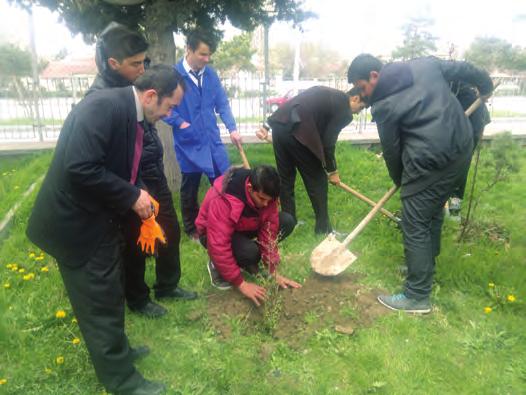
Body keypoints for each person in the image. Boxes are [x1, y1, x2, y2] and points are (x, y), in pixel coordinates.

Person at [26, 65, 184, 395]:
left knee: (111, 291)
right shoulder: (103, 107)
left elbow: (120, 167)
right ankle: (122, 381)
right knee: (99, 301)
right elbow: (80, 167)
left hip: (97, 218)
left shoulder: (130, 113)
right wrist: (131, 195)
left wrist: (137, 192)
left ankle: (118, 352)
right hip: (74, 226)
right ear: (151, 96)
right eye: (170, 107)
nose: (170, 114)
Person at [347, 54, 493, 313]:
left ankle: (417, 296)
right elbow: (464, 69)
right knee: (432, 209)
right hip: (460, 149)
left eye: (361, 87)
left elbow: (392, 152)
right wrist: (486, 85)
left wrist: (403, 183)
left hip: (430, 161)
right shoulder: (424, 65)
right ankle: (424, 267)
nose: (363, 94)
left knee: (414, 221)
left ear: (374, 75)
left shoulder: (383, 106)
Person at [87, 23, 197, 319]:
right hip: (129, 176)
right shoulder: (101, 95)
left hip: (152, 166)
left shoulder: (137, 81)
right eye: (136, 63)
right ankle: (137, 297)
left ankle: (167, 284)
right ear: (113, 63)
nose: (141, 68)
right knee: (137, 237)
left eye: (142, 62)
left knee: (169, 228)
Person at [163, 30, 241, 240]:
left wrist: (232, 128)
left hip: (212, 141)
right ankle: (192, 229)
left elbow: (222, 103)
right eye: (202, 54)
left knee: (224, 183)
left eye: (209, 55)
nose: (206, 60)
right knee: (190, 186)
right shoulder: (173, 75)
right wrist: (181, 123)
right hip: (189, 143)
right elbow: (164, 108)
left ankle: (225, 221)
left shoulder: (210, 74)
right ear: (189, 49)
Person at [255, 86, 365, 234]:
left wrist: (267, 126)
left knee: (285, 179)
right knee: (318, 181)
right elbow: (328, 142)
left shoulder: (325, 92)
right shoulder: (344, 110)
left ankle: (289, 222)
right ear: (355, 98)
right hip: (299, 133)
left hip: (280, 130)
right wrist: (332, 170)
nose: (359, 112)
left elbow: (292, 102)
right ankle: (323, 230)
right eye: (361, 107)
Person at [195, 165, 301, 306]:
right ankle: (217, 264)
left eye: (269, 201)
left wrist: (272, 271)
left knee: (286, 221)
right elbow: (218, 243)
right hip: (211, 234)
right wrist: (241, 284)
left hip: (243, 226)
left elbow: (269, 232)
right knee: (250, 252)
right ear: (250, 188)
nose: (266, 204)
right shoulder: (224, 198)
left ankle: (244, 258)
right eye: (262, 199)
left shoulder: (267, 196)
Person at [448, 81, 491, 216]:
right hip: (458, 129)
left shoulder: (463, 93)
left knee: (458, 166)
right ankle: (445, 202)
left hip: (469, 128)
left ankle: (454, 205)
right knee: (453, 166)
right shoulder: (448, 90)